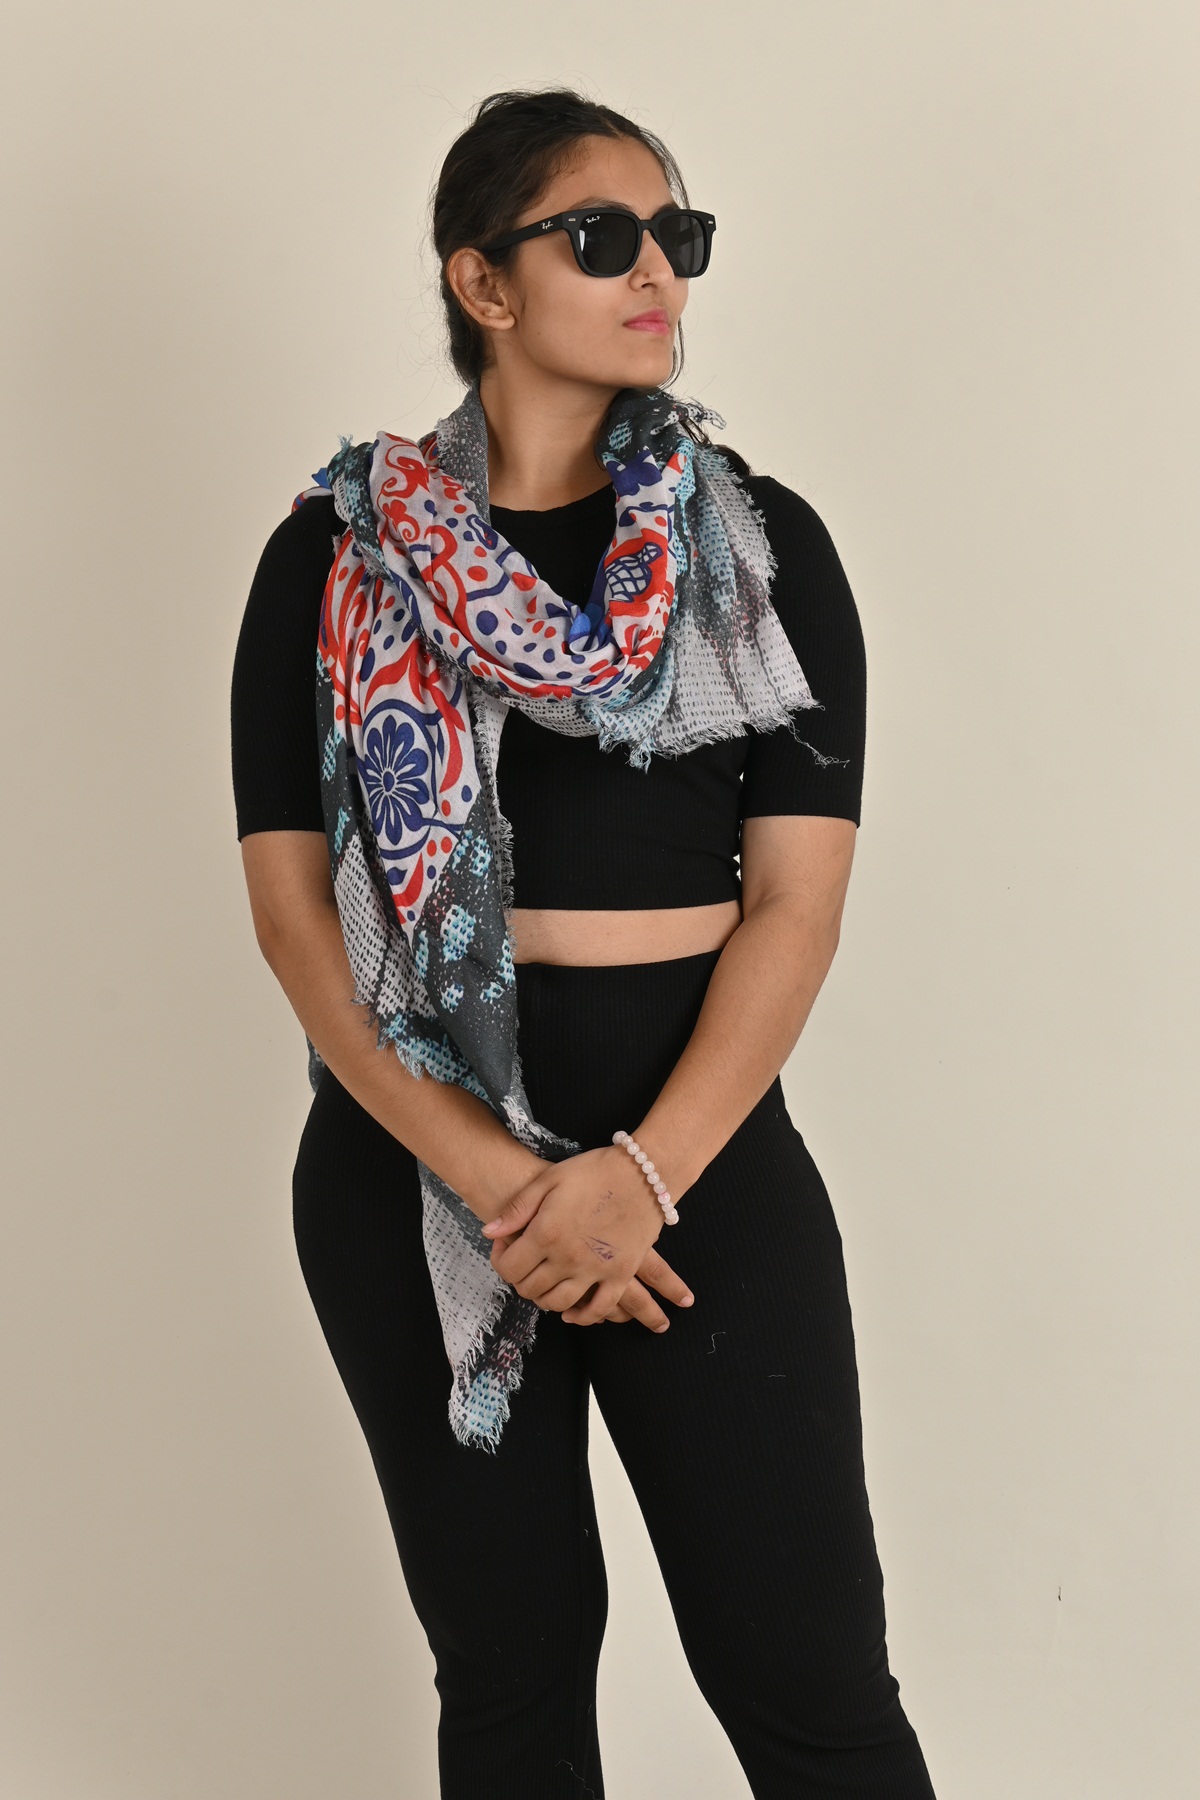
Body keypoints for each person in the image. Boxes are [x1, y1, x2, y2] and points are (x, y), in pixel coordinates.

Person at [230, 86, 937, 1800]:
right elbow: (295, 916)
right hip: (413, 1168)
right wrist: (500, 1182)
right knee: (513, 1675)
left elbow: (798, 906)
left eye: (678, 238)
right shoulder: (333, 557)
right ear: (482, 281)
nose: (657, 275)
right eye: (604, 237)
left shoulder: (756, 550)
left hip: (702, 1165)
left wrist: (640, 1176)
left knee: (810, 1681)